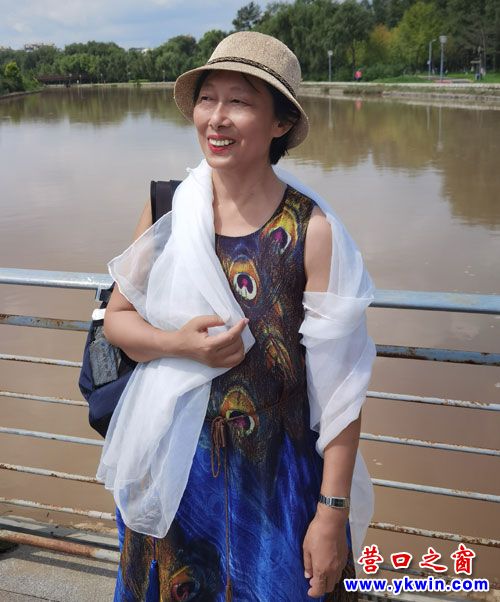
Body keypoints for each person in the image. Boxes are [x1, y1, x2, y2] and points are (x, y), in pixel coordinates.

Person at [99, 31, 376, 601]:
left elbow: (341, 394)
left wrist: (331, 513)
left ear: (280, 123)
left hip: (275, 480)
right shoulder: (169, 208)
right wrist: (179, 344)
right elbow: (117, 322)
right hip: (175, 474)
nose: (216, 118)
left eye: (240, 102)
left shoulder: (312, 232)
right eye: (208, 99)